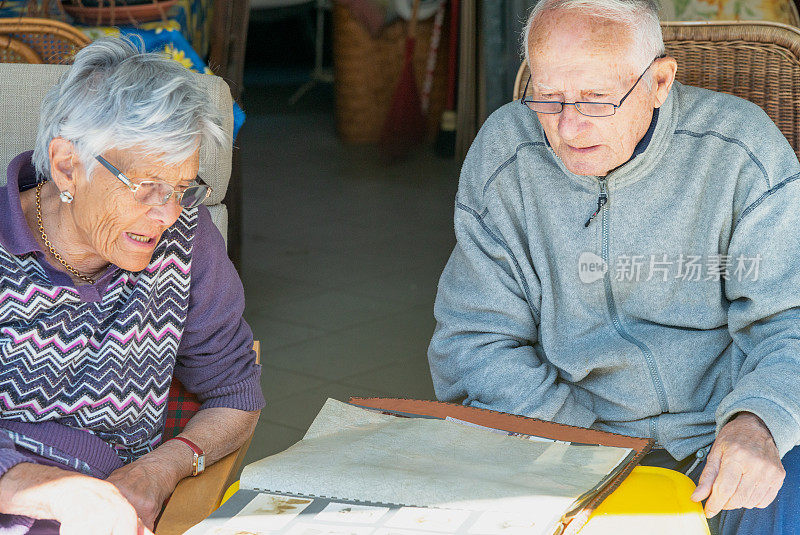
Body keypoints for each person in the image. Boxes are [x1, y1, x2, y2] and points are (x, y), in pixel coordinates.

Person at [428, 1, 800, 533]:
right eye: (549, 96)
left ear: (659, 82)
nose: (569, 126)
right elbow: (474, 342)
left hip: (723, 432)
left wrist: (758, 422)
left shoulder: (742, 153)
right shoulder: (507, 156)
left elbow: (790, 319)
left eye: (596, 99)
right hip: (562, 435)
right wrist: (592, 453)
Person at [0, 38, 265, 534]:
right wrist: (49, 491)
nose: (167, 214)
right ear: (66, 167)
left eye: (183, 188)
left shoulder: (185, 240)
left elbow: (236, 392)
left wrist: (158, 472)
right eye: (146, 188)